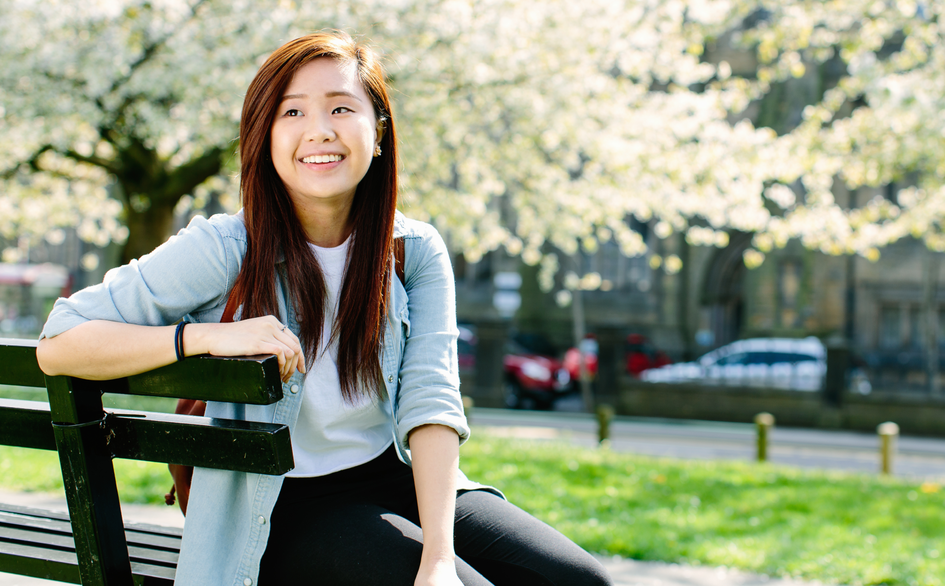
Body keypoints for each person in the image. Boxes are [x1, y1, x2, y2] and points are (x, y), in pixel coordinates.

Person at [36, 31, 612, 586]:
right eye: (292, 113)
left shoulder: (412, 252)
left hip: (398, 478)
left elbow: (431, 403)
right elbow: (59, 342)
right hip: (281, 504)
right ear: (263, 136)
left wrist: (438, 557)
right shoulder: (223, 248)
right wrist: (203, 338)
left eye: (341, 109)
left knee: (582, 579)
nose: (319, 131)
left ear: (379, 132)